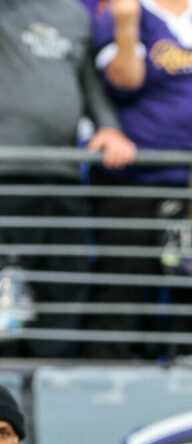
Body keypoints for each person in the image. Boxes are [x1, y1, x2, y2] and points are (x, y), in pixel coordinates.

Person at [0, 0, 136, 358]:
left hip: (62, 172)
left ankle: (54, 374)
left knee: (66, 280)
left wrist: (109, 126)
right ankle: (0, 383)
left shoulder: (76, 15)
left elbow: (88, 80)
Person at [85, 0, 192, 358]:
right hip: (135, 178)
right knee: (125, 285)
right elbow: (124, 83)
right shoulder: (129, 9)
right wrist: (127, 25)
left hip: (187, 182)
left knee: (186, 293)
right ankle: (106, 388)